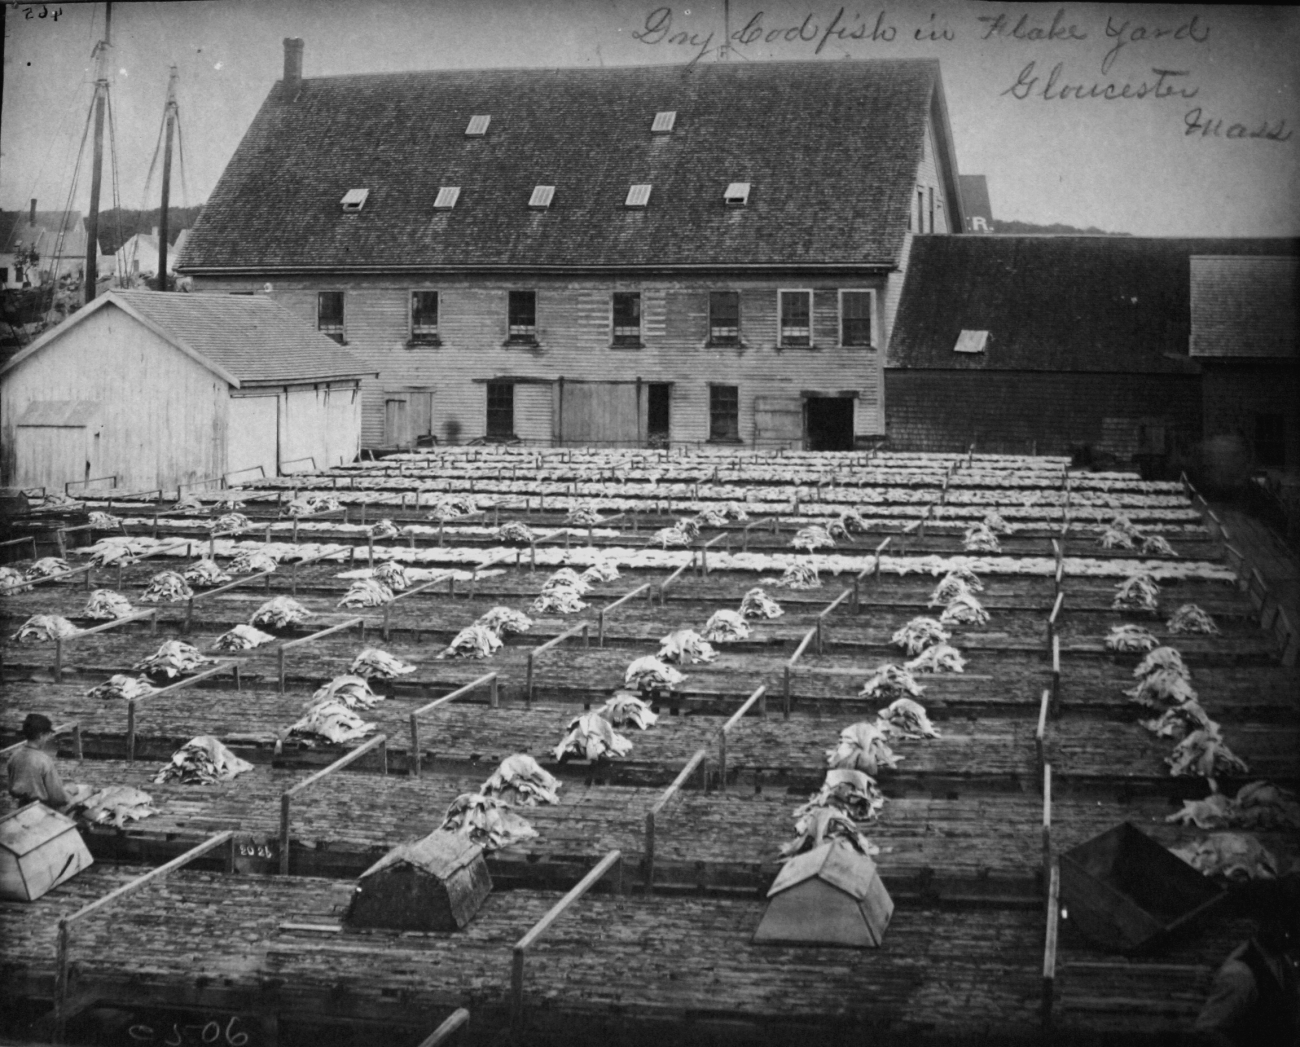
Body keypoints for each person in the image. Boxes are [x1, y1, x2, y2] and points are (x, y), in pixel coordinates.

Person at [1194, 873, 1300, 1047]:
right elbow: (1207, 1030)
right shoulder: (1241, 974)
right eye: (1290, 926)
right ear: (1270, 920)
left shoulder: (1282, 960)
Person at [6, 713, 70, 808]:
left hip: (20, 807)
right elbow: (57, 798)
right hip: (40, 809)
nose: (48, 738)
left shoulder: (14, 756)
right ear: (41, 735)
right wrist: (69, 794)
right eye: (47, 735)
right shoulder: (44, 760)